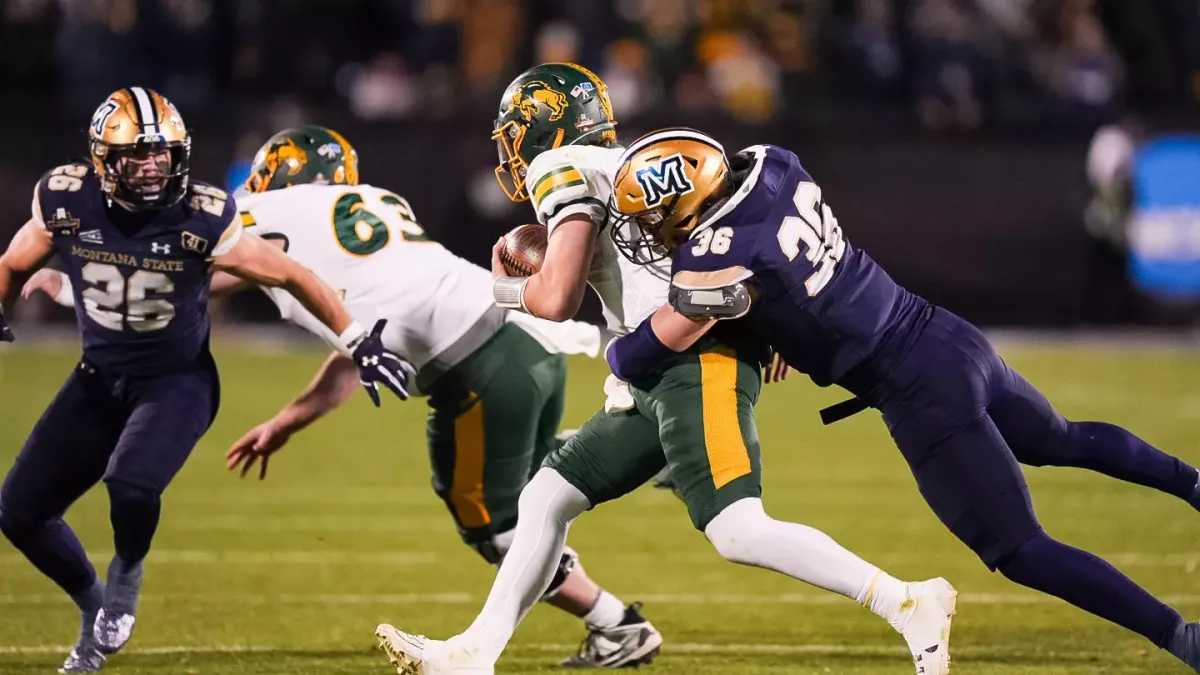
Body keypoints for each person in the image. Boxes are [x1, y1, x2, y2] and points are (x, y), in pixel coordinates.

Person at [373, 64, 956, 675]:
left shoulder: (560, 168)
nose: (511, 147)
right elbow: (716, 249)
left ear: (543, 127)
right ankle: (473, 654)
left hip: (692, 363)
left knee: (737, 530)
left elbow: (558, 298)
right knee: (545, 496)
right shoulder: (633, 164)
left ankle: (908, 601)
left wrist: (503, 289)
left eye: (515, 131)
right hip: (655, 368)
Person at [28, 123, 650, 669]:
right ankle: (633, 484)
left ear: (278, 173)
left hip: (481, 369)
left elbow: (188, 265)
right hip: (527, 345)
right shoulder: (372, 205)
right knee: (533, 494)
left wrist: (77, 279)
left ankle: (615, 621)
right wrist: (289, 421)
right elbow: (360, 346)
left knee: (492, 523)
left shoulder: (270, 211)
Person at [603, 127, 1200, 672]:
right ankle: (1193, 485)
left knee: (1019, 549)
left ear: (688, 201)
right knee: (1060, 438)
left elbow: (636, 353)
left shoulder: (718, 251)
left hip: (915, 389)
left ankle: (1183, 640)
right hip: (945, 334)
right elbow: (777, 269)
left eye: (654, 219)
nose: (651, 234)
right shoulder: (774, 164)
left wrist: (573, 319)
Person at [0, 89, 412, 674]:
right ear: (102, 160)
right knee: (18, 513)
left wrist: (356, 341)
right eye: (138, 157)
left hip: (176, 382)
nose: (153, 168)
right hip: (98, 378)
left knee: (132, 485)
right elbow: (16, 261)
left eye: (163, 155)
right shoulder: (65, 200)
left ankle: (125, 578)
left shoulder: (200, 214)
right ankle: (95, 611)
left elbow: (291, 273)